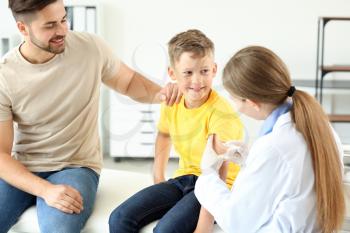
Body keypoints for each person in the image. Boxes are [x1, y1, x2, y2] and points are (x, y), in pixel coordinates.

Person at [0, 0, 181, 232]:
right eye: (50, 25)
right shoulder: (5, 76)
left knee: (60, 229)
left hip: (76, 165)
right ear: (23, 29)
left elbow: (128, 82)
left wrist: (163, 94)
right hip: (24, 166)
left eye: (64, 19)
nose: (62, 30)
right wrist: (45, 190)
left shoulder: (89, 47)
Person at [194, 46, 345, 233]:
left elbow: (237, 222)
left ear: (252, 103)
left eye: (235, 100)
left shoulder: (273, 147)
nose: (236, 107)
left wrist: (208, 175)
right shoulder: (319, 125)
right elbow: (291, 178)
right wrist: (247, 158)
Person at [108, 29, 243, 233]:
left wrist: (205, 224)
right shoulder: (173, 100)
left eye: (204, 71)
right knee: (119, 219)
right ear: (173, 74)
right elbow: (164, 134)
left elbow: (218, 171)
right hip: (183, 179)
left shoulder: (221, 114)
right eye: (188, 73)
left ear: (214, 70)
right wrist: (158, 175)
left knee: (165, 231)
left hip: (214, 186)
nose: (197, 81)